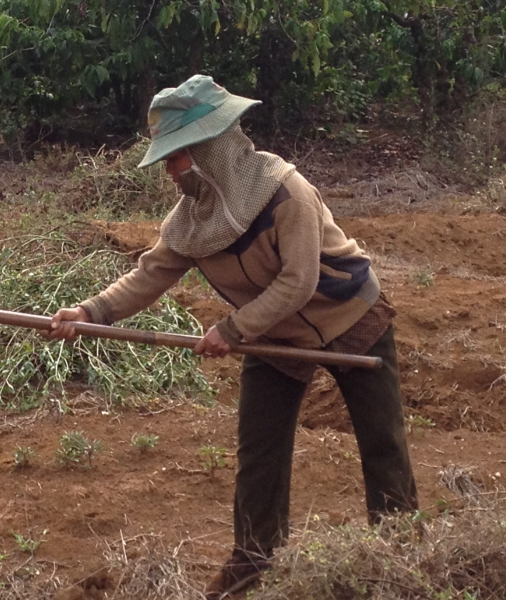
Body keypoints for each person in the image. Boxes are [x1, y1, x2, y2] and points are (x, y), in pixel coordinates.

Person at [48, 75, 418, 599]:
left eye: (177, 157)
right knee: (259, 453)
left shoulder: (286, 191)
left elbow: (299, 280)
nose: (171, 172)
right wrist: (90, 311)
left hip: (349, 316)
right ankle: (254, 563)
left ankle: (404, 553)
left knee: (382, 443)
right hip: (275, 335)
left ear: (210, 149)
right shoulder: (191, 221)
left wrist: (233, 328)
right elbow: (150, 274)